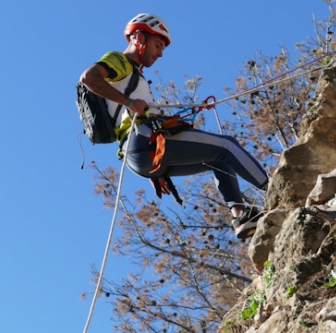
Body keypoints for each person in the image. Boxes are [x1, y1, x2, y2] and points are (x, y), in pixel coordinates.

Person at [80, 13, 269, 239]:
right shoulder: (121, 62)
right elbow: (89, 77)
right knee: (227, 146)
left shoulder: (136, 80)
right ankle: (279, 190)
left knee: (218, 159)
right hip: (145, 142)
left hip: (141, 155)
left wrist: (154, 170)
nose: (160, 53)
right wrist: (130, 103)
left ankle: (241, 218)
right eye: (158, 45)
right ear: (139, 38)